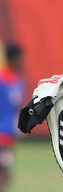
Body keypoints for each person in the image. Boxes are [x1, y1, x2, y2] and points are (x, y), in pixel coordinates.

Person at [0, 43, 24, 192]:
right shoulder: (2, 79)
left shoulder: (18, 80)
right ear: (14, 58)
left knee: (5, 176)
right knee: (4, 175)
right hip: (1, 135)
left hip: (9, 135)